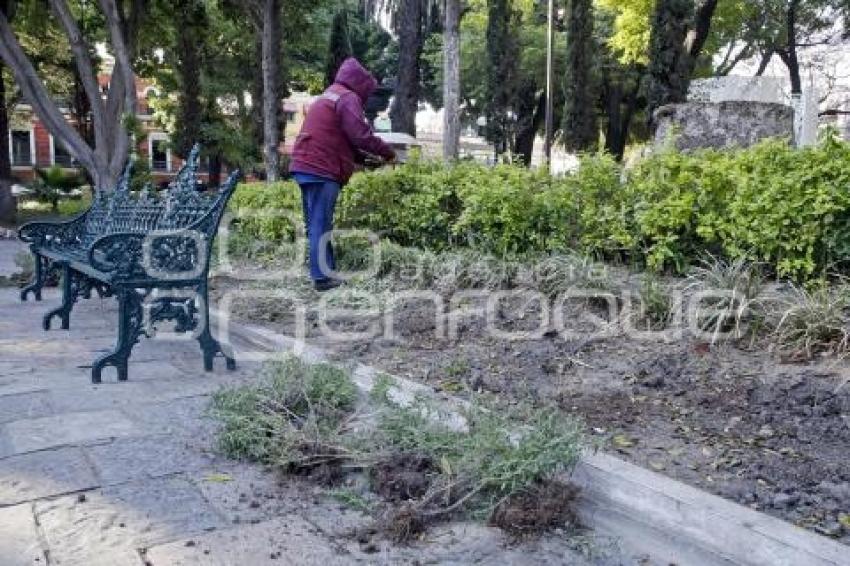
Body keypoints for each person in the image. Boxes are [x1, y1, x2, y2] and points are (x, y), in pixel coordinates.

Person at [289, 57, 396, 291]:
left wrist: (365, 159)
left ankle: (324, 272)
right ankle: (322, 278)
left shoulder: (329, 95)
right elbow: (360, 135)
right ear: (361, 85)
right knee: (320, 223)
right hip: (321, 169)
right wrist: (388, 154)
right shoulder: (348, 98)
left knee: (315, 223)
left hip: (304, 165)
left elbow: (338, 139)